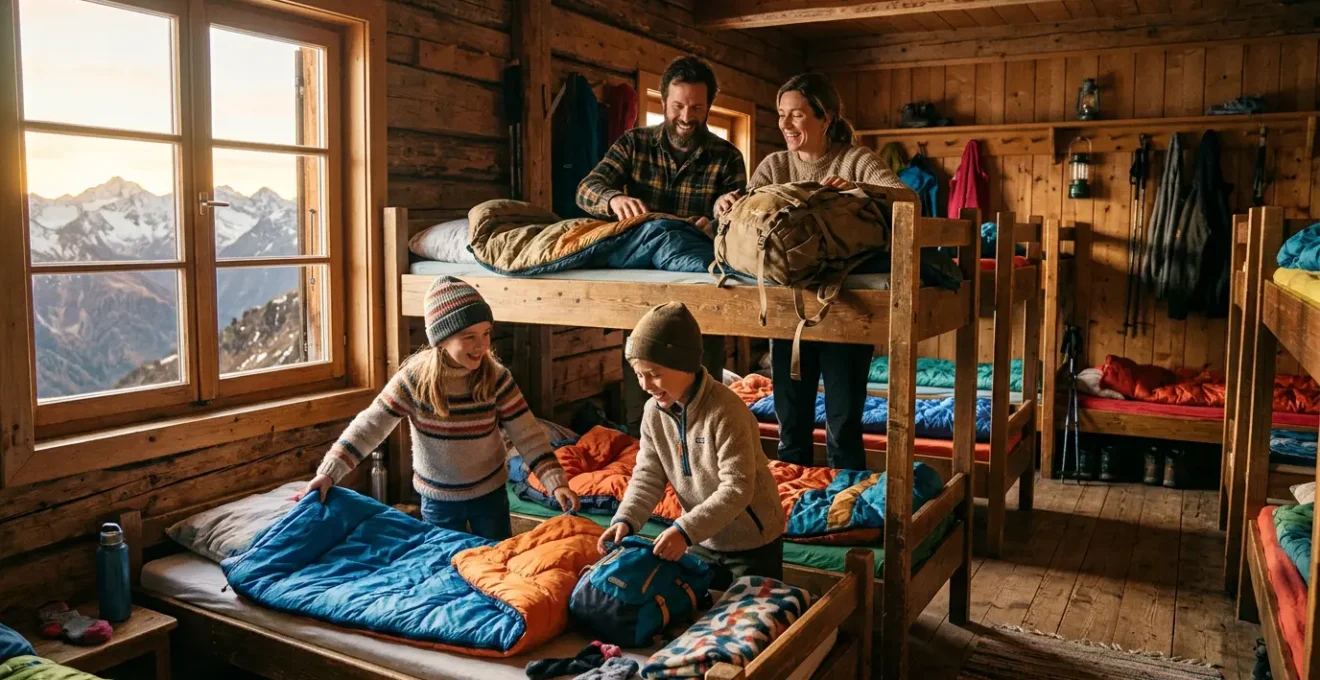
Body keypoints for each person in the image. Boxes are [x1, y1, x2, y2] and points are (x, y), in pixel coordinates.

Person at [716, 72, 917, 472]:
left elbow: (908, 198)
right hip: (785, 305)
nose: (786, 124)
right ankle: (793, 504)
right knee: (791, 424)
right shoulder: (774, 165)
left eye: (797, 115)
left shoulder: (856, 159)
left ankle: (844, 508)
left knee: (843, 422)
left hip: (844, 303)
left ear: (825, 118)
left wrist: (861, 191)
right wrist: (727, 204)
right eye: (781, 115)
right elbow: (751, 218)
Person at [296, 277, 579, 540]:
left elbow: (527, 433)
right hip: (438, 500)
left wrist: (556, 482)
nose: (482, 345)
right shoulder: (414, 380)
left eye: (486, 333)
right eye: (469, 336)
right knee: (444, 568)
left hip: (490, 495)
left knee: (496, 562)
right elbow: (371, 425)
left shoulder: (496, 377)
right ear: (442, 338)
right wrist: (329, 471)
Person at [597, 302, 785, 590]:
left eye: (654, 373)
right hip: (702, 538)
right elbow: (648, 474)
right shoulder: (654, 413)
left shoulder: (726, 411)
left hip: (752, 542)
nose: (645, 384)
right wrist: (627, 518)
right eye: (638, 374)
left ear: (685, 366)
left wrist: (684, 531)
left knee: (751, 622)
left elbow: (737, 489)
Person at [576, 55, 747, 234]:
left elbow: (742, 223)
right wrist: (614, 200)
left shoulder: (729, 157)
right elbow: (585, 189)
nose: (686, 118)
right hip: (638, 251)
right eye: (678, 106)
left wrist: (716, 221)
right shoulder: (633, 143)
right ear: (663, 103)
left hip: (692, 251)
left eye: (696, 108)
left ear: (708, 107)